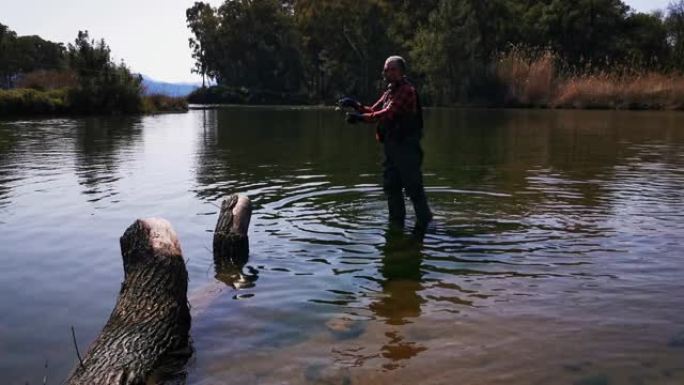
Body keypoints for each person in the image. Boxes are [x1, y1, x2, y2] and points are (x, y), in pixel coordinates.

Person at [339, 55, 432, 232]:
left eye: (392, 69)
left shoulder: (407, 91)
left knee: (414, 188)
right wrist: (355, 105)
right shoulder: (390, 91)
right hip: (391, 148)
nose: (388, 72)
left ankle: (426, 226)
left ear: (402, 72)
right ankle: (397, 224)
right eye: (386, 69)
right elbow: (373, 110)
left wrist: (360, 118)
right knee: (391, 186)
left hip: (407, 148)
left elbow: (386, 114)